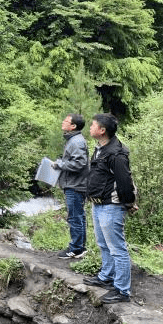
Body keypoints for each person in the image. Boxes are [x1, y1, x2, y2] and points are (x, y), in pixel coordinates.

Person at [83, 113, 135, 304]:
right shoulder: (100, 148)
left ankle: (122, 291)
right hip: (98, 204)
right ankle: (106, 277)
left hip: (112, 206)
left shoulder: (116, 154)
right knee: (104, 245)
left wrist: (129, 203)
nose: (90, 127)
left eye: (93, 125)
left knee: (117, 249)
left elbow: (125, 181)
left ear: (102, 130)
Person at [53, 114, 89, 259]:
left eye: (66, 121)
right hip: (75, 184)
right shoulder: (73, 140)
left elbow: (79, 163)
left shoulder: (76, 142)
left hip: (75, 185)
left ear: (73, 126)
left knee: (75, 217)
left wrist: (59, 164)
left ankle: (75, 249)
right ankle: (80, 247)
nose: (63, 122)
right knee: (78, 216)